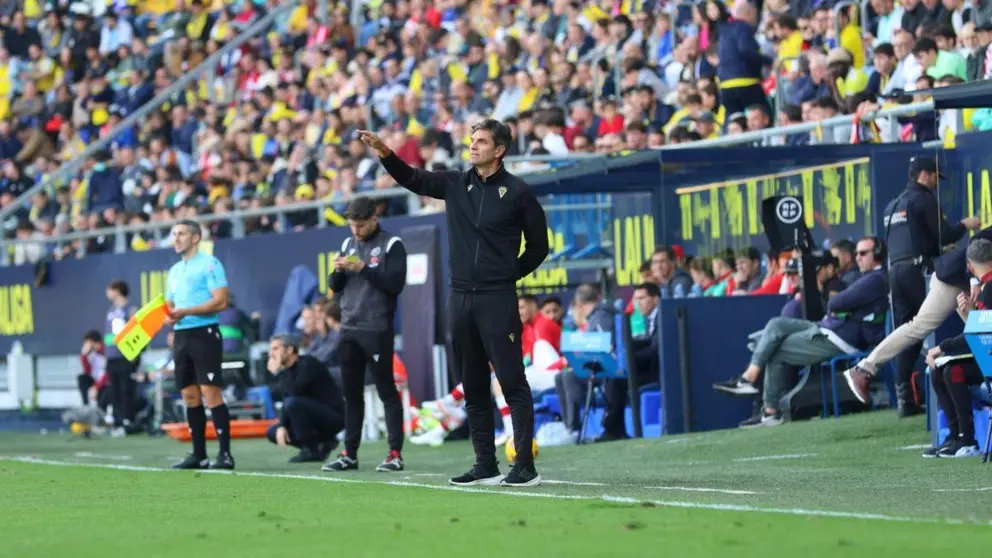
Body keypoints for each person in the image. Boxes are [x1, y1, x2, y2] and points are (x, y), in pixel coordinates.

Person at [359, 118, 550, 487]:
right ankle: (485, 465)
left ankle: (524, 466)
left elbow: (539, 247)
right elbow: (412, 178)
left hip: (497, 297)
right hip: (460, 298)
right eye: (471, 140)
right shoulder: (455, 183)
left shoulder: (518, 192)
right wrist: (385, 153)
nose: (473, 146)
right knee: (473, 383)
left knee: (512, 380)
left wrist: (508, 275)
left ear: (499, 150)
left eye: (481, 141)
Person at [846, 157, 979, 416]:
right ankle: (868, 370)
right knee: (920, 328)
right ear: (923, 174)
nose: (935, 183)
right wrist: (965, 225)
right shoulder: (924, 199)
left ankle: (905, 398)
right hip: (922, 271)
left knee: (911, 331)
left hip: (896, 271)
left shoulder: (894, 204)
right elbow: (946, 234)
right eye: (934, 177)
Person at [728, 237, 890, 426]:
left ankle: (770, 410)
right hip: (828, 326)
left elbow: (835, 303)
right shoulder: (864, 278)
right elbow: (837, 305)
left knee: (775, 349)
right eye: (856, 253)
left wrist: (839, 306)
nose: (858, 258)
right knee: (776, 325)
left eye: (863, 253)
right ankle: (749, 378)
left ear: (878, 254)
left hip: (841, 338)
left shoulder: (875, 278)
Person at [844, 227, 992, 406]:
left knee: (983, 332)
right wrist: (975, 281)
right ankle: (864, 369)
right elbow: (976, 241)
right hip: (955, 278)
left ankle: (988, 383)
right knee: (919, 326)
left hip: (975, 281)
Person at [322, 196, 408, 473]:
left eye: (360, 225)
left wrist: (365, 269)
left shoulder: (391, 245)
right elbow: (337, 287)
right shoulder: (348, 245)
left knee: (386, 391)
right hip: (348, 327)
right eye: (352, 225)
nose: (356, 231)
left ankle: (394, 453)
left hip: (377, 328)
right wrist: (336, 273)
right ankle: (350, 454)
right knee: (351, 394)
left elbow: (395, 284)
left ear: (374, 218)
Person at [166, 220, 234, 470]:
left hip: (204, 333)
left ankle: (225, 454)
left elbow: (220, 302)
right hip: (181, 335)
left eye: (181, 234)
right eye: (174, 234)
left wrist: (186, 311)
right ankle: (199, 454)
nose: (176, 239)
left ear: (195, 238)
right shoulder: (173, 271)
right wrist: (169, 318)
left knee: (210, 392)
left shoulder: (210, 264)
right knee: (189, 394)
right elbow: (170, 307)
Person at [919, 239, 992, 459]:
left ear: (969, 265)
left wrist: (941, 347)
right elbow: (980, 331)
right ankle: (956, 437)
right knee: (940, 370)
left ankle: (968, 441)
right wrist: (968, 312)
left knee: (953, 370)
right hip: (986, 356)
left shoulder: (988, 290)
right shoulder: (984, 288)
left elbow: (982, 333)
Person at [266, 335, 345, 463]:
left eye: (275, 349)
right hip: (309, 419)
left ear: (290, 350)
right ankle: (322, 444)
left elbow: (295, 392)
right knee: (272, 432)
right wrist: (282, 425)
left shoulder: (308, 363)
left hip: (333, 416)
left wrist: (279, 372)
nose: (271, 354)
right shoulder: (287, 371)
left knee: (294, 403)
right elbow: (284, 400)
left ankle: (311, 450)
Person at [103, 279, 139, 435]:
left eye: (109, 289)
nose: (107, 293)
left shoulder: (130, 309)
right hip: (112, 357)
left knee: (126, 390)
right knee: (115, 390)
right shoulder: (111, 310)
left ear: (117, 290)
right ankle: (117, 421)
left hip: (126, 356)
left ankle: (127, 420)